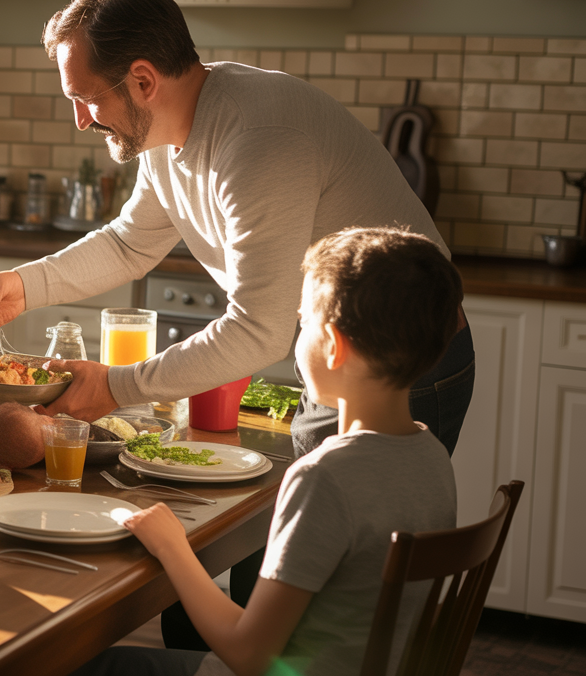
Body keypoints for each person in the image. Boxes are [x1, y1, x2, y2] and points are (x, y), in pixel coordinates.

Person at [0, 0, 475, 460]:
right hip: (342, 355)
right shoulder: (165, 131)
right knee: (306, 529)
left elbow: (258, 329)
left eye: (86, 98)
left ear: (143, 79)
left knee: (345, 540)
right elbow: (130, 244)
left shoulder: (259, 140)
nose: (81, 120)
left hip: (407, 365)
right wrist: (25, 284)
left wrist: (114, 386)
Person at [70, 227, 461, 676]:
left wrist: (171, 545)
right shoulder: (432, 456)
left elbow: (251, 656)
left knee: (81, 664)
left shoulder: (323, 476)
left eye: (304, 322)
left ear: (334, 347)